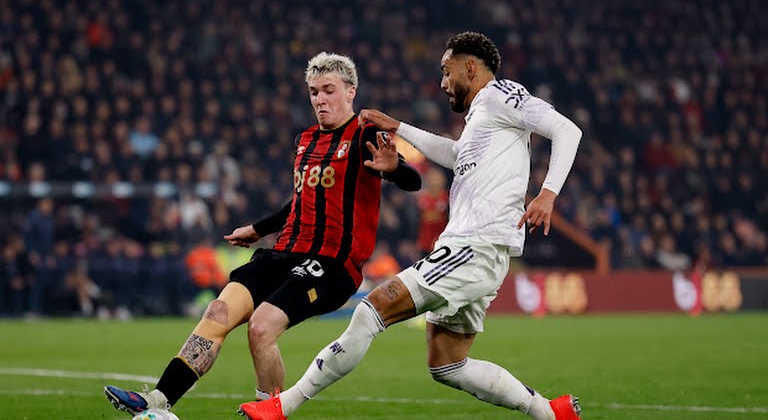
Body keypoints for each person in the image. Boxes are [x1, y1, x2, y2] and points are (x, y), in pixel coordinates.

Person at [238, 31, 583, 420]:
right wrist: (399, 127)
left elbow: (567, 130)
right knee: (448, 365)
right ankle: (551, 413)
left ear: (470, 67)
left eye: (446, 71)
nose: (442, 83)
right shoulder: (483, 118)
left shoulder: (502, 94)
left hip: (476, 244)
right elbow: (454, 155)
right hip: (477, 250)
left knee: (372, 309)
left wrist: (547, 193)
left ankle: (282, 406)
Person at [104, 52, 421, 416]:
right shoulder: (305, 140)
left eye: (329, 90)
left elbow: (414, 180)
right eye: (314, 92)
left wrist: (396, 169)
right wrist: (257, 230)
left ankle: (267, 412)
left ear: (351, 92)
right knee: (219, 311)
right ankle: (158, 401)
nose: (320, 99)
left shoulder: (365, 134)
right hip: (284, 253)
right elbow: (299, 203)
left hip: (332, 263)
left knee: (261, 327)